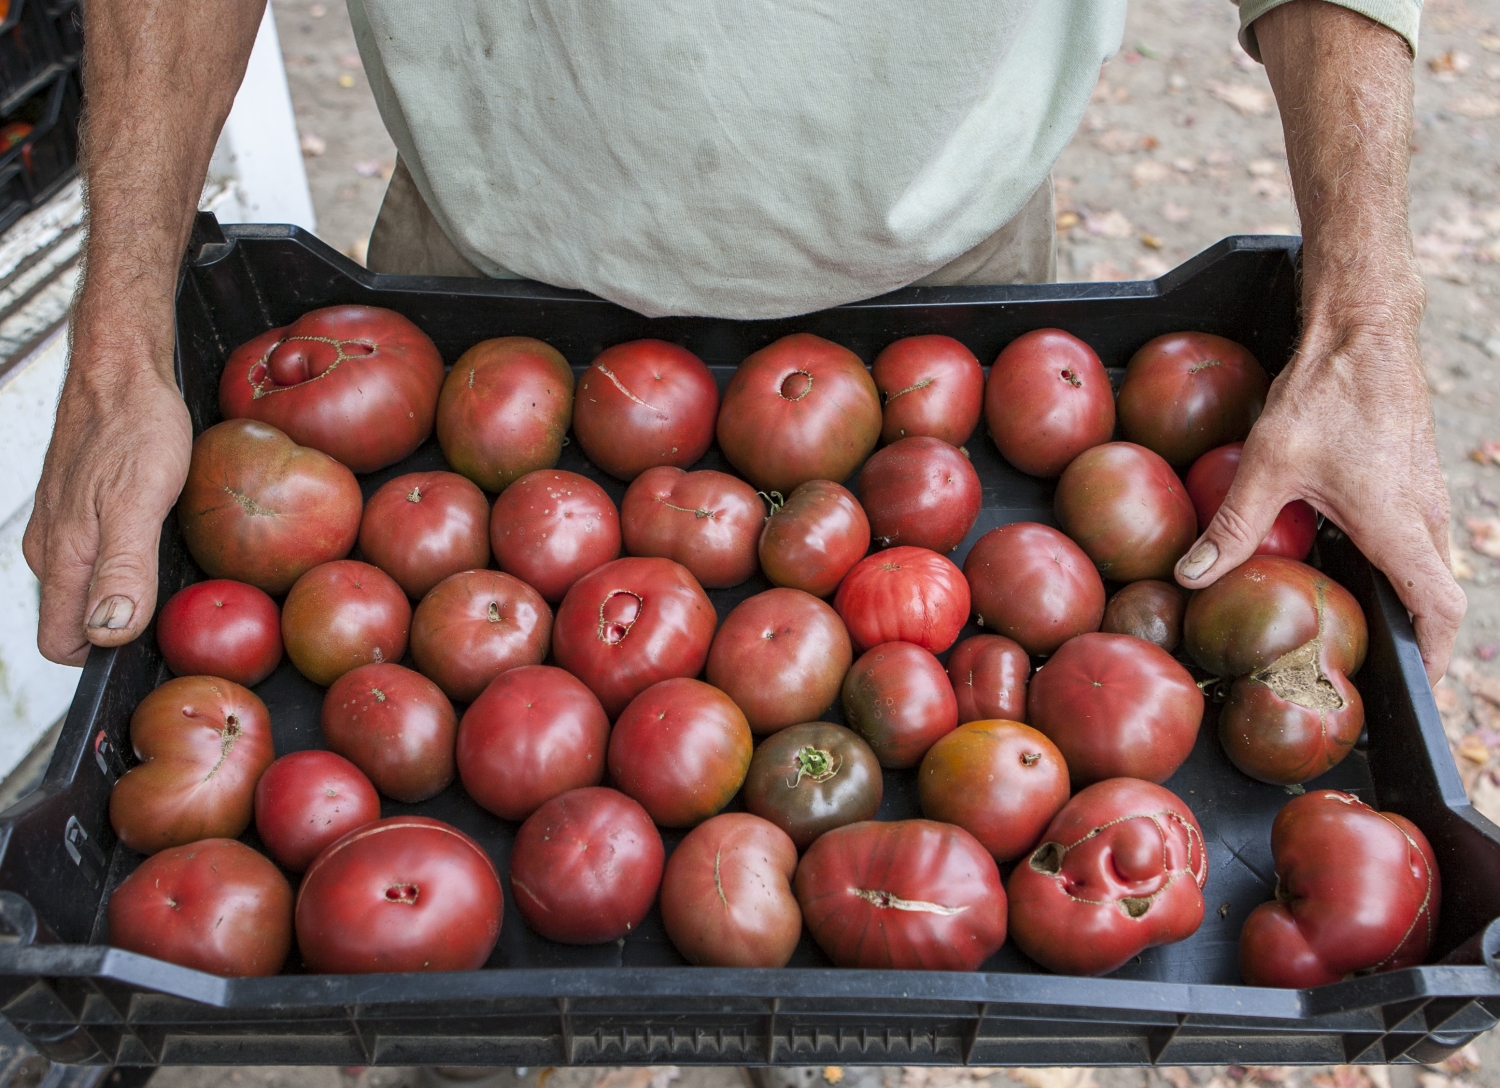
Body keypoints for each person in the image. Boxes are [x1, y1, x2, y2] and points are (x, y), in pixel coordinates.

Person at [24, 0, 1463, 686]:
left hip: (955, 282)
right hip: (474, 282)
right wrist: (118, 337)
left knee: (865, 905)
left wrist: (1363, 328)